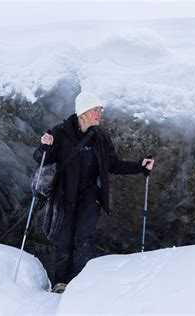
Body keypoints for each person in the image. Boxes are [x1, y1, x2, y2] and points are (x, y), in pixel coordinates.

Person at [33, 91, 154, 292]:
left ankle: (82, 284)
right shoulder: (60, 133)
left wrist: (140, 167)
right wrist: (43, 146)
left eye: (100, 109)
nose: (100, 113)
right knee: (64, 242)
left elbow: (113, 165)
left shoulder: (100, 138)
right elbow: (41, 159)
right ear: (84, 112)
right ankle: (60, 283)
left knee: (84, 239)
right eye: (96, 109)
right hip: (64, 196)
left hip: (90, 197)